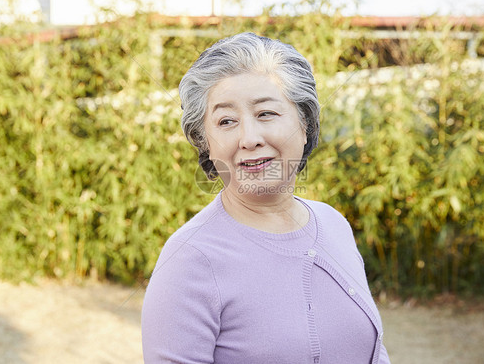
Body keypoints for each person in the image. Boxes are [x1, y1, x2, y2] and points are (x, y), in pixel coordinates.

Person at [141, 32, 391, 364]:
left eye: (266, 114)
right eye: (226, 121)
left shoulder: (333, 223)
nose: (249, 138)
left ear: (305, 126)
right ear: (206, 143)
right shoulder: (190, 260)